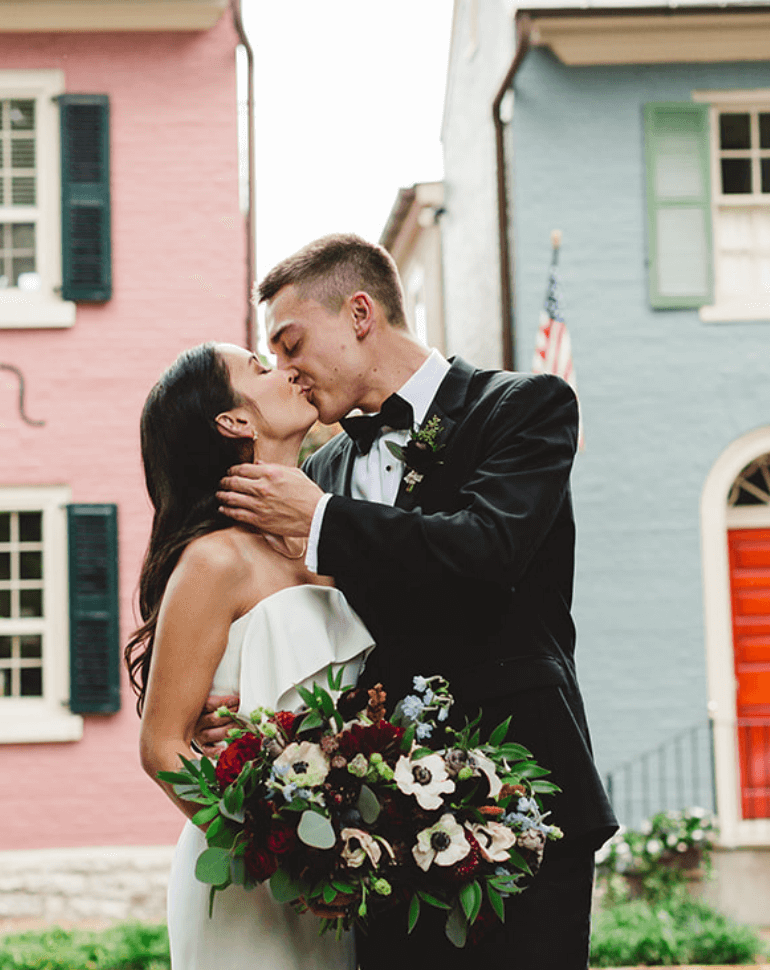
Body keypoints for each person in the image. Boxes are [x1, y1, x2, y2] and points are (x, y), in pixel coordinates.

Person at [212, 233, 617, 969]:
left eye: (292, 342)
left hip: (524, 798)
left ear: (360, 313)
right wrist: (240, 716)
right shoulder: (321, 466)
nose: (287, 369)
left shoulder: (524, 407)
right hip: (374, 822)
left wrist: (323, 524)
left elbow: (488, 551)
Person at [132, 342, 372, 970]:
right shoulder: (214, 561)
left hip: (345, 875)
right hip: (249, 887)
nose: (287, 370)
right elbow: (163, 745)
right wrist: (285, 860)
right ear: (233, 421)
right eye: (261, 370)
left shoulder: (330, 545)